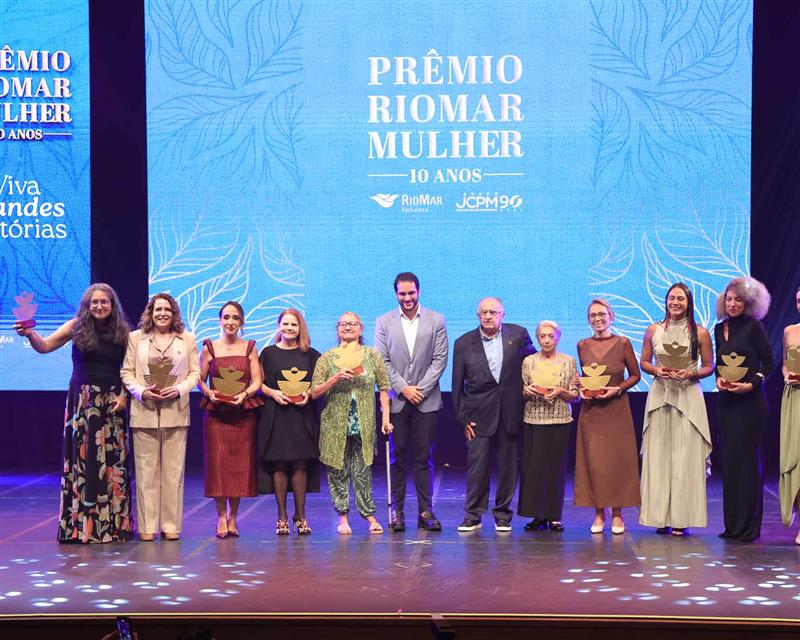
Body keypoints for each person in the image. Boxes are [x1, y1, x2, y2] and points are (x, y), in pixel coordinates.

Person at [14, 283, 131, 543]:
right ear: (87, 305)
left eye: (104, 302)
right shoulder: (75, 326)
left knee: (112, 464)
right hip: (83, 404)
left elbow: (130, 369)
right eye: (94, 302)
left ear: (112, 305)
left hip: (112, 404)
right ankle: (81, 526)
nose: (99, 306)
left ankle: (112, 526)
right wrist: (30, 335)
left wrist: (125, 395)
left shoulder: (123, 332)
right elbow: (44, 346)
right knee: (83, 463)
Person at [121, 293, 200, 541]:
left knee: (173, 474)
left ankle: (170, 525)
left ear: (174, 313)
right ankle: (147, 526)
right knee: (146, 473)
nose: (162, 313)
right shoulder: (135, 338)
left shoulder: (187, 339)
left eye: (167, 309)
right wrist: (142, 392)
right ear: (150, 313)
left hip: (176, 412)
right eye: (158, 309)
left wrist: (179, 389)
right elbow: (127, 372)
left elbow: (195, 373)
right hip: (144, 412)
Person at [452, 297, 534, 532]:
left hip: (510, 413)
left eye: (493, 312)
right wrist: (463, 418)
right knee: (477, 468)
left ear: (502, 315)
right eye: (484, 312)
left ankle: (502, 515)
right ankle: (473, 515)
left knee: (508, 468)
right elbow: (457, 384)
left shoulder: (518, 335)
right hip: (477, 416)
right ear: (478, 316)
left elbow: (536, 364)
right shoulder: (463, 343)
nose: (488, 316)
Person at [374, 272, 448, 532]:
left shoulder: (436, 320)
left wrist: (420, 390)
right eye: (402, 294)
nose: (407, 298)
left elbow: (440, 359)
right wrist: (404, 388)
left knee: (423, 457)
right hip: (397, 401)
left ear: (419, 292)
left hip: (426, 401)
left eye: (411, 293)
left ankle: (426, 511)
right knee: (397, 458)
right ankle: (397, 511)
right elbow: (382, 361)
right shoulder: (383, 322)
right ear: (396, 294)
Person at [638, 283, 713, 536]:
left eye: (681, 299)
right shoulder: (653, 330)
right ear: (666, 301)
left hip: (688, 396)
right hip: (660, 394)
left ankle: (682, 518)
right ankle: (660, 516)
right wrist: (656, 370)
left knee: (684, 458)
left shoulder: (700, 332)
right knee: (659, 456)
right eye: (672, 298)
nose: (675, 302)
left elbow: (709, 366)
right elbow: (644, 362)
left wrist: (692, 373)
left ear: (688, 302)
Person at [311, 312, 393, 535]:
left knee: (362, 470)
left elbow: (384, 389)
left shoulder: (372, 355)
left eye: (353, 323)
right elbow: (314, 392)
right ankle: (342, 517)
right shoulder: (326, 358)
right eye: (343, 324)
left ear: (361, 328)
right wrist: (335, 378)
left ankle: (369, 515)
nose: (348, 327)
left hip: (363, 423)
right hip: (334, 423)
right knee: (337, 471)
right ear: (337, 328)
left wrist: (386, 419)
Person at [714, 276, 774, 541]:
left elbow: (768, 362)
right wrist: (718, 379)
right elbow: (720, 363)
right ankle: (732, 527)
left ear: (748, 302)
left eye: (738, 300)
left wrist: (752, 384)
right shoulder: (720, 329)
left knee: (748, 465)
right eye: (729, 299)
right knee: (730, 465)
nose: (732, 304)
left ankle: (748, 528)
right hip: (727, 404)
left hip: (750, 405)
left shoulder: (754, 327)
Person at [575, 298, 641, 535]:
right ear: (588, 320)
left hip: (617, 410)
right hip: (592, 412)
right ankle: (599, 512)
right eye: (593, 315)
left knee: (617, 463)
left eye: (602, 314)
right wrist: (581, 390)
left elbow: (635, 375)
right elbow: (585, 378)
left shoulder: (623, 343)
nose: (598, 319)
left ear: (611, 317)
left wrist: (618, 389)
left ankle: (618, 513)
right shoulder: (582, 345)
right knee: (595, 464)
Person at [199, 301, 263, 539]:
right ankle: (220, 517)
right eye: (226, 317)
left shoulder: (250, 348)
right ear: (220, 320)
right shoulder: (209, 348)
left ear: (241, 321)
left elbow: (257, 381)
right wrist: (208, 392)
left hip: (242, 415)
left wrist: (244, 394)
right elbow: (199, 378)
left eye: (235, 318)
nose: (230, 322)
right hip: (217, 415)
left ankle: (233, 517)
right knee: (218, 466)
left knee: (238, 467)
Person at [257, 309, 321, 535]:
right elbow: (257, 383)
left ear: (300, 327)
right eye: (285, 324)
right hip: (276, 414)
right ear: (279, 326)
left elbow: (318, 385)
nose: (289, 328)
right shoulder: (268, 353)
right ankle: (282, 516)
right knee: (279, 464)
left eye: (293, 324)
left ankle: (300, 516)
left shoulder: (311, 354)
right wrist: (273, 393)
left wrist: (308, 394)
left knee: (300, 464)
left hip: (301, 416)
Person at [519, 320, 578, 532]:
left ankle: (554, 516)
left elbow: (575, 395)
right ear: (537, 338)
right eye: (542, 336)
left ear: (558, 338)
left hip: (559, 421)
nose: (546, 340)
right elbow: (522, 391)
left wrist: (560, 391)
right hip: (534, 420)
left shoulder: (569, 361)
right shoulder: (528, 362)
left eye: (550, 336)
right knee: (534, 469)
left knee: (555, 469)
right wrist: (528, 392)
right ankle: (537, 515)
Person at [780, 286, 800, 545]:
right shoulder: (789, 331)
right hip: (794, 396)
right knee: (796, 461)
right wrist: (786, 374)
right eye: (798, 301)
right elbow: (785, 362)